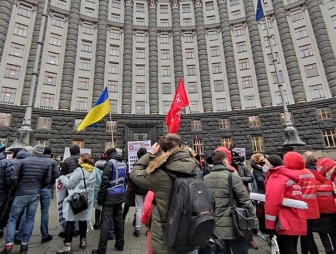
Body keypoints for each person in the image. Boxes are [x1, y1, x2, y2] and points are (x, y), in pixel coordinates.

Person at [130, 133, 198, 254]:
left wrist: (150, 154)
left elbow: (135, 174)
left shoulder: (161, 174)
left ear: (163, 151)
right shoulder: (196, 168)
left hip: (166, 238)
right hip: (191, 233)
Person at [1, 145, 52, 254]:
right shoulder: (45, 163)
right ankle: (24, 245)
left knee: (12, 219)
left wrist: (16, 188)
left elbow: (14, 177)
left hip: (21, 193)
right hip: (35, 194)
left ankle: (9, 246)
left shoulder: (23, 162)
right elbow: (48, 180)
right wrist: (39, 187)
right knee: (30, 219)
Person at [203, 149, 256, 254]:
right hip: (234, 224)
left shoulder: (205, 178)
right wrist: (254, 220)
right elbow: (245, 200)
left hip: (216, 225)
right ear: (225, 160)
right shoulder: (232, 176)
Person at [15, 147, 60, 244]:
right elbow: (57, 175)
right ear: (50, 153)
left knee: (27, 213)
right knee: (44, 212)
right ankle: (45, 235)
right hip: (46, 188)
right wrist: (50, 181)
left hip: (32, 188)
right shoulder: (52, 161)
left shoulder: (32, 159)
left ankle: (19, 236)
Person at [264, 155, 307, 254]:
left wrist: (269, 225)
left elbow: (272, 202)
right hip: (295, 217)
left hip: (284, 220)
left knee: (286, 249)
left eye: (265, 163)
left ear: (271, 165)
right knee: (292, 247)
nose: (264, 166)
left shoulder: (276, 177)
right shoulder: (288, 175)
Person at [57, 153, 96, 254]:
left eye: (80, 158)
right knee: (82, 221)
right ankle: (83, 241)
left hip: (76, 200)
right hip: (86, 200)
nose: (78, 160)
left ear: (83, 160)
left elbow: (70, 185)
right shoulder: (93, 170)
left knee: (70, 221)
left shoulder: (79, 170)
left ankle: (67, 246)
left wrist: (62, 177)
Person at [92, 148, 127, 254]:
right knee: (119, 220)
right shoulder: (124, 163)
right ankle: (120, 244)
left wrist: (100, 198)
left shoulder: (109, 163)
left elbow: (104, 182)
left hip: (110, 195)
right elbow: (126, 179)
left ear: (109, 154)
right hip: (120, 194)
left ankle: (101, 250)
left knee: (105, 222)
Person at [283, 151, 319, 254]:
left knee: (304, 237)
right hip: (312, 208)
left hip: (300, 210)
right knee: (307, 235)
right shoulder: (309, 172)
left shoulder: (293, 174)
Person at [314, 157, 336, 254]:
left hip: (320, 213)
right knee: (333, 233)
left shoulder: (315, 181)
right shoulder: (330, 182)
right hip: (331, 212)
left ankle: (329, 251)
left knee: (323, 234)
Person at [59, 144, 81, 238]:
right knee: (81, 207)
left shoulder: (66, 161)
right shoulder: (84, 159)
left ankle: (75, 228)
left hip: (70, 188)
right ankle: (80, 227)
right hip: (82, 187)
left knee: (71, 208)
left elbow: (62, 175)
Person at [133, 147, 149, 237]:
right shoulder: (149, 164)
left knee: (138, 208)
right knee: (147, 209)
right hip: (147, 189)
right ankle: (147, 229)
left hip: (138, 188)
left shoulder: (136, 164)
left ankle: (137, 228)